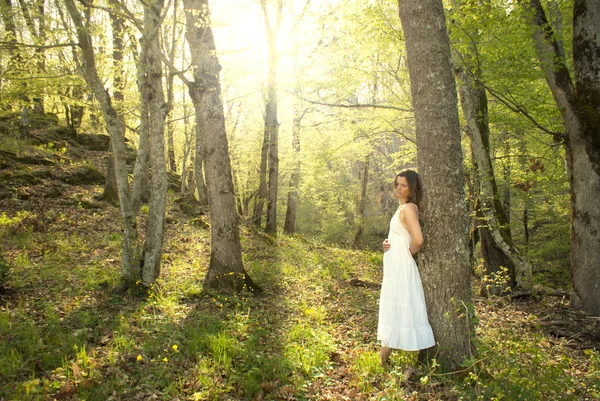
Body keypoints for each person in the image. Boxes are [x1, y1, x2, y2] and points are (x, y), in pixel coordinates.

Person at [377, 169, 435, 367]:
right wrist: (389, 243)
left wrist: (403, 254)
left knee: (401, 305)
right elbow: (401, 234)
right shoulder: (401, 208)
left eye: (404, 185)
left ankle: (387, 358)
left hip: (401, 266)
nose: (399, 189)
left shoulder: (409, 208)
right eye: (397, 184)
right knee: (394, 305)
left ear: (412, 188)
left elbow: (418, 240)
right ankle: (384, 357)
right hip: (394, 266)